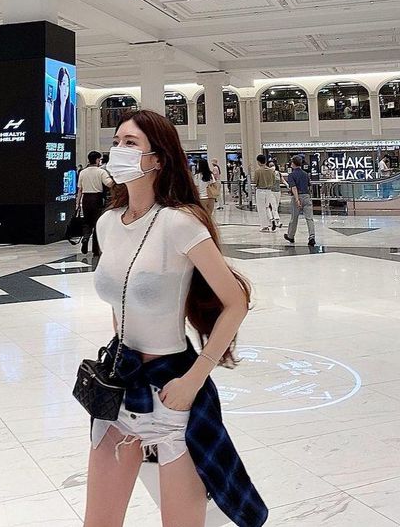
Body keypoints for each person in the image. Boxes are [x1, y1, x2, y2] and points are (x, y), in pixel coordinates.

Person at [86, 109, 267, 527]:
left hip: (173, 392)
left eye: (130, 143)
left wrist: (195, 378)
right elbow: (119, 303)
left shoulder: (180, 223)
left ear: (157, 159)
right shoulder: (107, 223)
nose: (118, 150)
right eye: (116, 142)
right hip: (120, 387)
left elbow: (235, 301)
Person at [77, 151, 114, 256]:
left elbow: (80, 189)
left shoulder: (83, 172)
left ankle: (85, 238)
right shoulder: (101, 172)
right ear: (97, 160)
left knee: (87, 222)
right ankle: (95, 249)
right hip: (97, 199)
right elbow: (109, 184)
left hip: (86, 199)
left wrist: (77, 203)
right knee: (97, 223)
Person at [284, 155, 316, 246]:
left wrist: (297, 199)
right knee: (309, 218)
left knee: (294, 218)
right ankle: (312, 237)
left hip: (297, 197)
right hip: (306, 196)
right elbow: (309, 186)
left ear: (293, 163)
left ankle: (291, 236)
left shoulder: (291, 175)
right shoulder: (305, 174)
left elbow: (294, 188)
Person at [48, 66, 75, 134]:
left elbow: (71, 133)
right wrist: (50, 115)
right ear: (59, 85)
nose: (66, 89)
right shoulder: (53, 105)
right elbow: (52, 134)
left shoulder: (71, 107)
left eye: (67, 85)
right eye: (64, 84)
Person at [252, 154, 276, 232]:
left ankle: (264, 226)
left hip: (260, 191)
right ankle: (272, 219)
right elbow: (274, 181)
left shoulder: (258, 171)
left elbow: (255, 182)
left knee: (261, 209)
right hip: (269, 191)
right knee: (267, 206)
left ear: (258, 162)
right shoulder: (271, 171)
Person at [268, 161, 287, 229]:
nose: (272, 167)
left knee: (276, 206)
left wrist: (288, 186)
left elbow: (283, 181)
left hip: (278, 191)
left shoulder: (278, 173)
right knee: (274, 206)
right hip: (271, 192)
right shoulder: (268, 173)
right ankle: (278, 221)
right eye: (270, 166)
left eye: (272, 165)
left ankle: (272, 220)